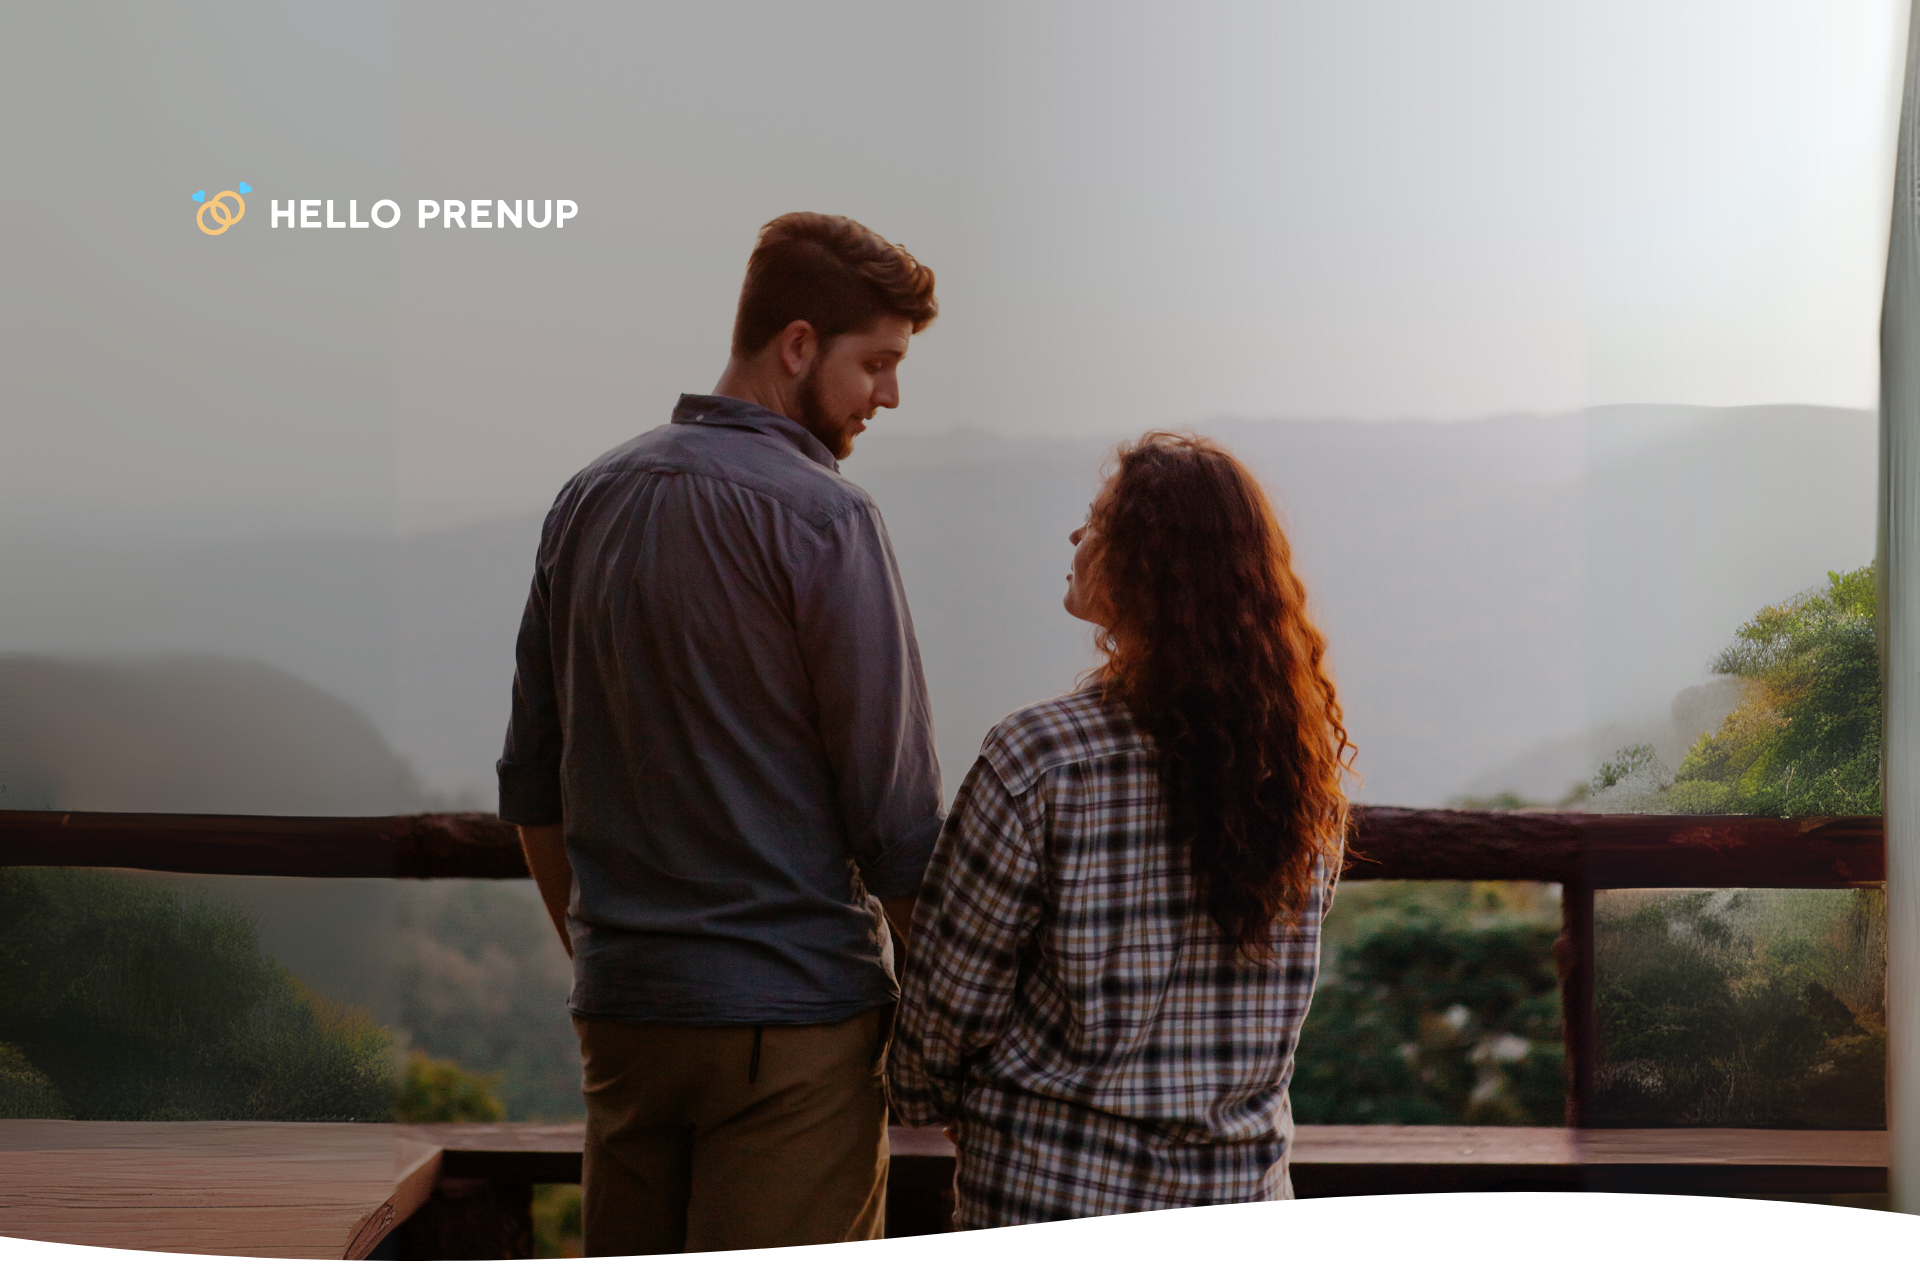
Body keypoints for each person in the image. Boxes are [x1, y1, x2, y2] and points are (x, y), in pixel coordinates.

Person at [497, 212, 945, 1254]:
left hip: (625, 1020)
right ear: (797, 346)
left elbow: (534, 782)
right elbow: (896, 816)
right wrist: (949, 1025)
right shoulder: (829, 520)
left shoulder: (587, 498)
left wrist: (606, 958)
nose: (888, 395)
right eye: (874, 363)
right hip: (787, 1026)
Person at [887, 431, 1354, 1227]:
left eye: (1098, 522)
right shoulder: (1300, 771)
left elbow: (948, 1006)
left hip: (1051, 1194)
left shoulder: (1041, 758)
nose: (1077, 538)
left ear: (1148, 566)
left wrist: (920, 1096)